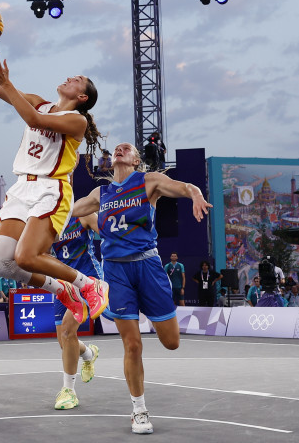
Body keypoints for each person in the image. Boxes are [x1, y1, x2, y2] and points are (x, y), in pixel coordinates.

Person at [0, 27, 108, 325]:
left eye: (77, 80)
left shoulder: (76, 120)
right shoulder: (41, 102)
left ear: (82, 96)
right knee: (0, 261)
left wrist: (9, 85)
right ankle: (63, 289)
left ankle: (90, 284)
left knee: (27, 257)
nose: (70, 77)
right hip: (21, 188)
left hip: (50, 189)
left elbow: (33, 119)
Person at [70, 142, 212, 434]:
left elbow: (183, 186)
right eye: (117, 149)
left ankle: (150, 309)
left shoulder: (149, 182)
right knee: (132, 345)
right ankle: (139, 410)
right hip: (116, 270)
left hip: (148, 266)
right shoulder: (102, 193)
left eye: (127, 148)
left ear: (136, 160)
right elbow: (68, 210)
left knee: (172, 342)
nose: (120, 150)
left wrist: (196, 194)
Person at [51, 213, 103, 411]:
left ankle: (68, 391)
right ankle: (89, 353)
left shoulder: (83, 215)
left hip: (87, 280)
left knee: (67, 331)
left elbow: (110, 234)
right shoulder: (50, 221)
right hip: (62, 282)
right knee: (63, 341)